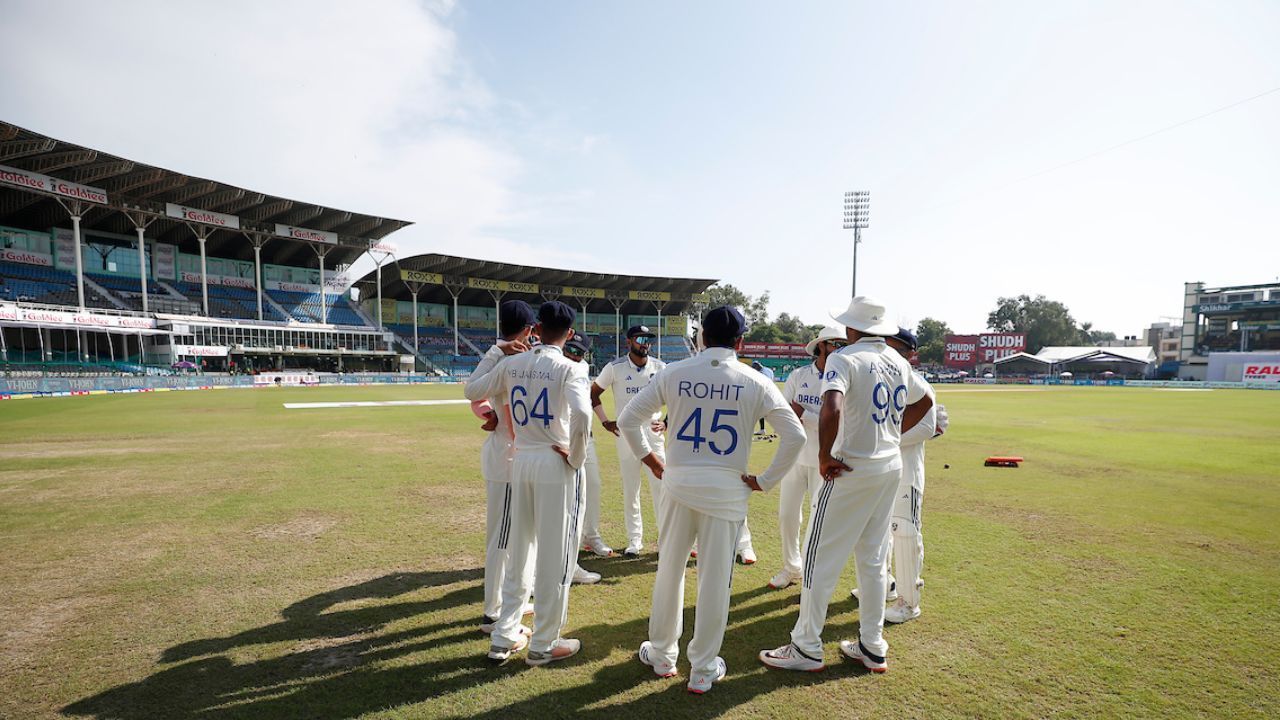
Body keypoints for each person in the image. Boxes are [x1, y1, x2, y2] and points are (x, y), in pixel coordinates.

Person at [622, 306, 804, 694]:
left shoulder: (673, 372)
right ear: (740, 342)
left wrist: (652, 460)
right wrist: (765, 481)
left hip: (679, 482)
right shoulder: (755, 380)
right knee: (715, 580)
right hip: (726, 489)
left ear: (701, 336)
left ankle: (661, 654)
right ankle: (703, 668)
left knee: (669, 569)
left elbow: (627, 420)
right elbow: (796, 437)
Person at [760, 297, 933, 674]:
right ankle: (872, 646)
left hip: (851, 467)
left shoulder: (846, 358)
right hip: (888, 467)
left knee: (817, 556)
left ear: (853, 329)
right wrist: (889, 434)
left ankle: (806, 646)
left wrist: (824, 455)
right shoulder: (897, 360)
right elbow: (927, 402)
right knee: (873, 560)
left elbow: (832, 406)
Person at [465, 301, 592, 665]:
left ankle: (504, 636)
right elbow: (582, 414)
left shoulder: (513, 363)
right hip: (554, 460)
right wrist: (577, 457)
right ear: (569, 334)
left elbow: (471, 389)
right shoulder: (570, 367)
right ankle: (544, 643)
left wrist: (496, 351)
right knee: (555, 553)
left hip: (520, 461)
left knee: (519, 550)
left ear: (537, 329)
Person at [850, 327, 948, 623]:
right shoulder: (878, 376)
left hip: (906, 470)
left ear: (910, 353)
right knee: (877, 531)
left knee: (904, 531)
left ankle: (909, 602)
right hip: (879, 469)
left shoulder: (917, 383)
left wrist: (881, 436)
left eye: (894, 347)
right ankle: (888, 585)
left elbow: (927, 427)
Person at [462, 300, 537, 635]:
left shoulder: (514, 363)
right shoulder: (508, 364)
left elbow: (477, 396)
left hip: (516, 459)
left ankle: (511, 601)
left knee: (516, 536)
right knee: (502, 539)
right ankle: (492, 612)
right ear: (527, 330)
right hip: (508, 462)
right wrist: (496, 351)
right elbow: (471, 392)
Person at [767, 325, 847, 590]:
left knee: (819, 520)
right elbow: (783, 414)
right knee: (787, 515)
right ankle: (792, 567)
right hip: (794, 458)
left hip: (826, 459)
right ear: (821, 345)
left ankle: (812, 573)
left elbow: (843, 421)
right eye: (836, 343)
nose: (840, 349)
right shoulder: (799, 375)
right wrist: (814, 417)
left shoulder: (846, 376)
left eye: (843, 344)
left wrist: (808, 416)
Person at [591, 325, 667, 557]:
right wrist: (605, 421)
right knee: (631, 489)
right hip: (626, 436)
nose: (645, 343)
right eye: (640, 339)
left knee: (661, 487)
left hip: (653, 434)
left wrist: (667, 421)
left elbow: (676, 397)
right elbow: (593, 393)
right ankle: (635, 540)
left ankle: (666, 540)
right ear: (629, 342)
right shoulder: (614, 368)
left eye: (648, 339)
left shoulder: (660, 368)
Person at [563, 331, 609, 577]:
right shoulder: (558, 366)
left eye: (579, 352)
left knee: (593, 487)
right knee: (568, 498)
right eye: (570, 349)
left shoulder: (582, 369)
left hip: (585, 438)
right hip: (561, 440)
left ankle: (591, 537)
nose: (573, 355)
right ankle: (568, 561)